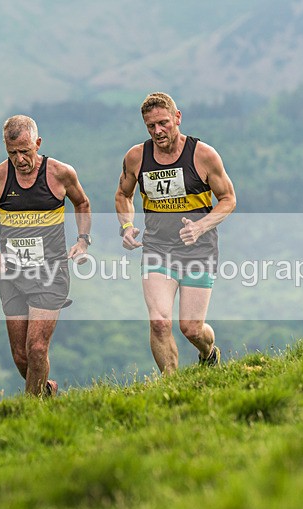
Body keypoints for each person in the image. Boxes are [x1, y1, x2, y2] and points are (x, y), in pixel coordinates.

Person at [115, 92, 236, 375]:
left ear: (177, 117)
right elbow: (123, 194)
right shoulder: (137, 157)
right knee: (159, 322)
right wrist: (126, 226)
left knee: (191, 328)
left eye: (163, 123)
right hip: (157, 248)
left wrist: (200, 226)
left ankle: (208, 353)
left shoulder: (203, 155)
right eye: (150, 126)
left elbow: (229, 199)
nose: (158, 131)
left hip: (199, 250)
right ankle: (172, 385)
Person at [0, 115, 91, 396]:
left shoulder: (60, 173)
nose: (20, 159)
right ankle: (46, 392)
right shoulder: (0, 176)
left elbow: (83, 203)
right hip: (12, 275)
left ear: (38, 144)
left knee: (37, 347)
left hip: (50, 274)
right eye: (12, 152)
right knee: (21, 356)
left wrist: (83, 241)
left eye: (25, 151)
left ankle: (30, 413)